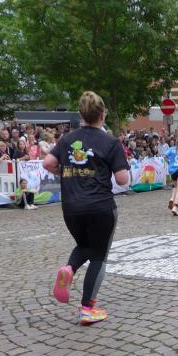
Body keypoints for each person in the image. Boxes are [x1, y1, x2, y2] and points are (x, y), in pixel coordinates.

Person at [43, 91, 130, 324]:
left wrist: (65, 172)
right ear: (103, 114)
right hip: (100, 206)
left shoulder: (67, 139)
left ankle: (69, 270)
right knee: (99, 256)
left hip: (71, 207)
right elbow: (122, 179)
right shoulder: (110, 142)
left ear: (81, 115)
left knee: (84, 245)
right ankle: (87, 307)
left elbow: (47, 162)